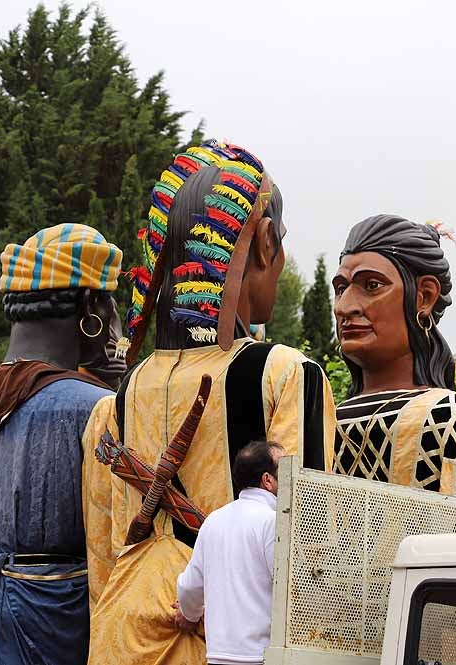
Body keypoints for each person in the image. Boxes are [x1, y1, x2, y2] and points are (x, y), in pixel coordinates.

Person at [85, 140, 336, 665]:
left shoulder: (116, 399)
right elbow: (307, 562)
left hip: (119, 639)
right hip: (224, 647)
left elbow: (104, 559)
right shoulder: (286, 375)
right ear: (265, 242)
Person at [0, 224, 124, 665]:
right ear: (90, 306)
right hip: (56, 630)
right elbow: (108, 555)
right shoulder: (96, 408)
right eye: (110, 302)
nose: (116, 322)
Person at [331, 215, 456, 501]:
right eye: (340, 289)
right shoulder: (323, 421)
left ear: (424, 297)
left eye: (372, 285)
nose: (345, 307)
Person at [174, 440, 284, 665]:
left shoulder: (214, 520)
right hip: (262, 658)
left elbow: (189, 587)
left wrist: (190, 614)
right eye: (286, 469)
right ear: (268, 480)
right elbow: (289, 590)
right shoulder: (273, 522)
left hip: (218, 656)